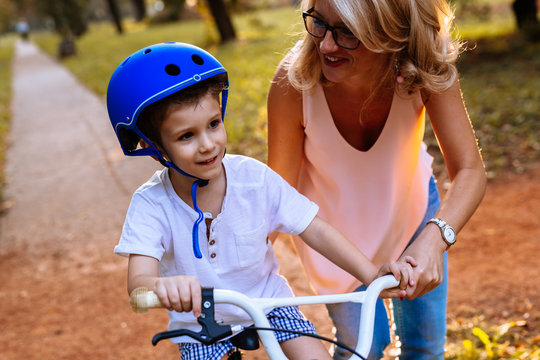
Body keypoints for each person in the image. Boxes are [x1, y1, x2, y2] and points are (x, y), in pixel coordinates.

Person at [107, 42, 417, 360]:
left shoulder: (253, 179)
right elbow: (139, 283)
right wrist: (162, 288)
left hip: (269, 304)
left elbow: (316, 230)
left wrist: (371, 274)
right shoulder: (151, 205)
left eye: (214, 124)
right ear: (151, 145)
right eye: (187, 136)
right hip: (201, 324)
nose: (208, 145)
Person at [267, 0, 487, 359]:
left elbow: (470, 170)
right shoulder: (294, 79)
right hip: (332, 236)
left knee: (424, 347)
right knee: (362, 348)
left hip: (411, 211)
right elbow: (278, 194)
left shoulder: (425, 66)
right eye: (319, 23)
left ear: (392, 33)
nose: (325, 44)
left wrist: (434, 239)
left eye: (348, 32)